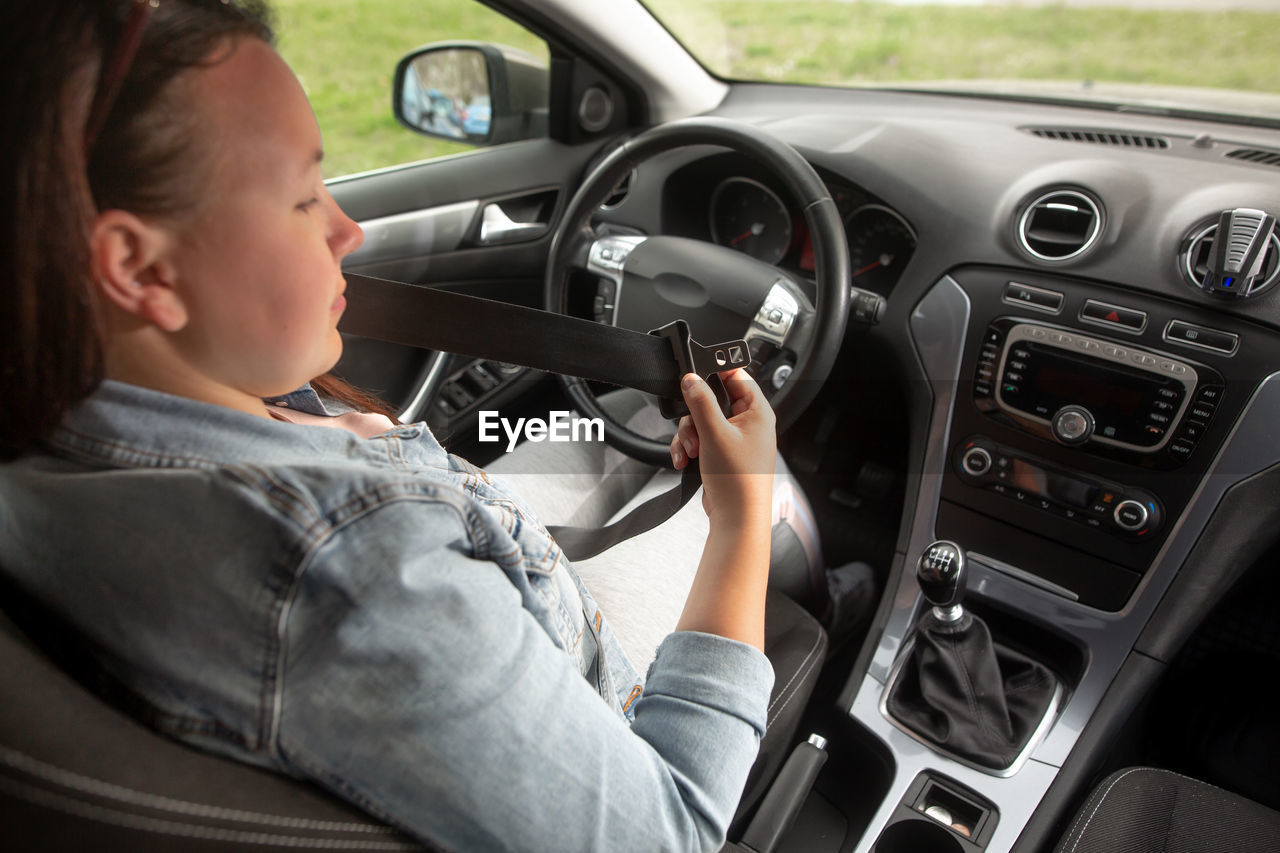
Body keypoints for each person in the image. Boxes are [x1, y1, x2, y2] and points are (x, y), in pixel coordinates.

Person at [0, 2, 830, 850]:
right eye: (299, 197)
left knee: (603, 448)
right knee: (771, 519)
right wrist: (738, 519)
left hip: (493, 618)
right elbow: (673, 833)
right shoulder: (357, 570)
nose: (347, 228)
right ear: (138, 267)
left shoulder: (45, 429)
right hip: (611, 725)